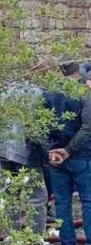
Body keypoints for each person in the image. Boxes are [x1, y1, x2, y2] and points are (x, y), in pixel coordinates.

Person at [44, 62, 91, 245]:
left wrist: (51, 152)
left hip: (55, 157)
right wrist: (68, 150)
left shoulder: (47, 94)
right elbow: (89, 125)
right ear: (77, 73)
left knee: (62, 202)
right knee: (89, 200)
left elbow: (40, 128)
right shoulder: (82, 92)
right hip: (82, 155)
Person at [0, 81, 48, 234]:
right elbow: (38, 128)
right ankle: (36, 240)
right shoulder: (37, 91)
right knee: (37, 198)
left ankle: (11, 238)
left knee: (10, 197)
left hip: (3, 151)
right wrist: (48, 154)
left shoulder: (4, 89)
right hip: (26, 153)